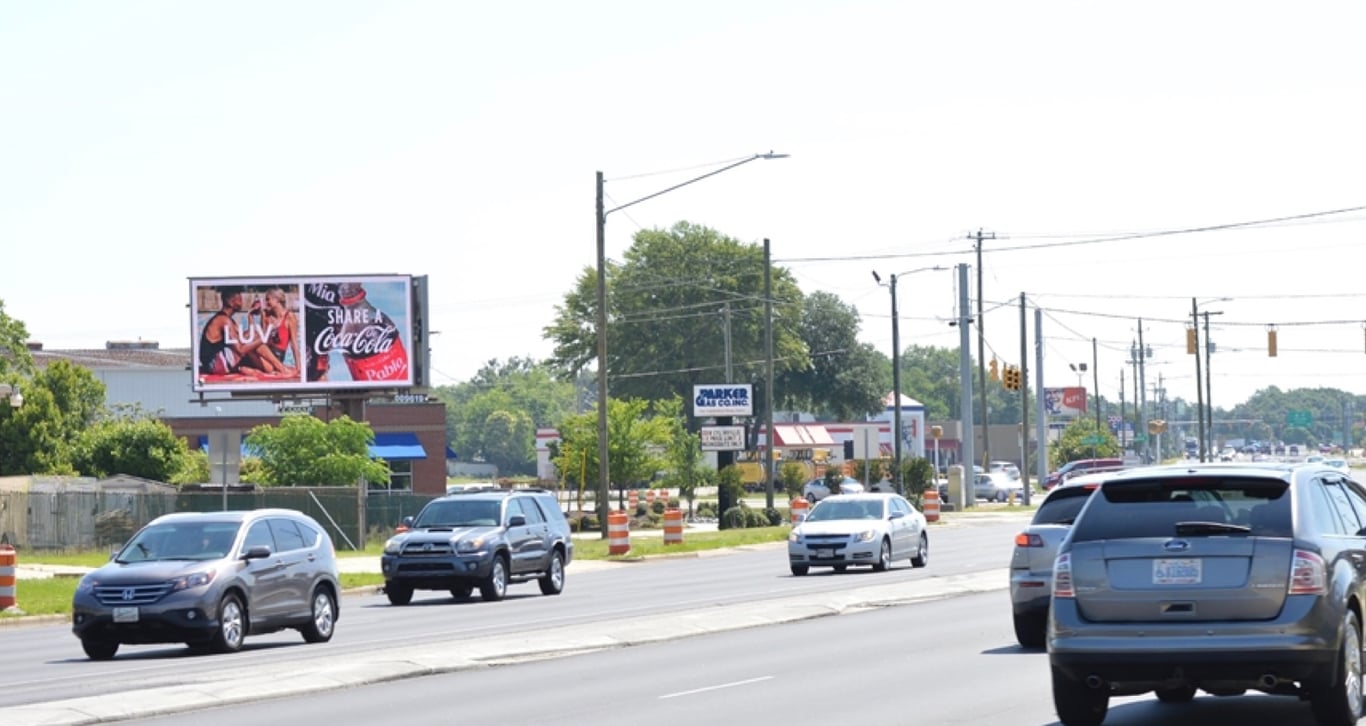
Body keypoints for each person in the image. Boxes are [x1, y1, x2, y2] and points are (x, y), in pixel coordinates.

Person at [197, 286, 272, 377]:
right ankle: (275, 368)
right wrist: (263, 337)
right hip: (214, 365)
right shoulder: (223, 320)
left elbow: (246, 336)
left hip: (218, 361)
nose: (242, 303)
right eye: (239, 300)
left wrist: (250, 316)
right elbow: (240, 350)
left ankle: (271, 367)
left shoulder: (228, 320)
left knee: (252, 337)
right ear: (230, 302)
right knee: (253, 341)